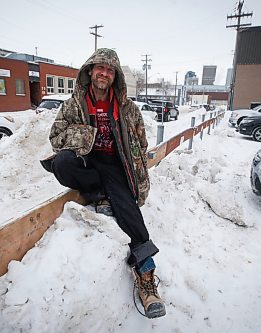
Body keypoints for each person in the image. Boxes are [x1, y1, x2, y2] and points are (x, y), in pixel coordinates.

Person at [41, 48, 165, 319]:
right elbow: (56, 137)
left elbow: (141, 144)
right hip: (87, 163)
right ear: (89, 70)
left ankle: (145, 271)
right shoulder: (74, 105)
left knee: (127, 207)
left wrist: (138, 177)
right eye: (100, 67)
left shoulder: (128, 109)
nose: (104, 73)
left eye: (110, 70)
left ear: (115, 76)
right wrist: (88, 135)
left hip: (116, 166)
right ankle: (100, 194)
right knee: (61, 163)